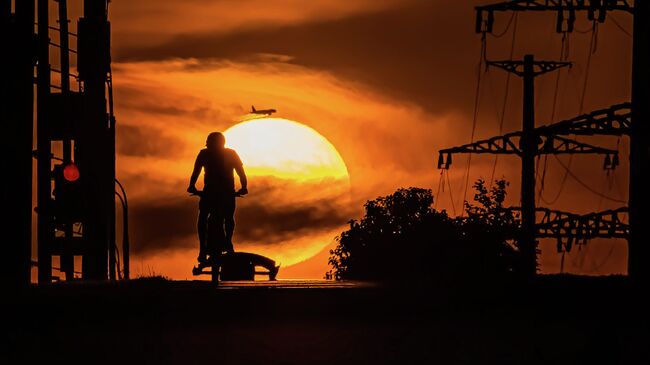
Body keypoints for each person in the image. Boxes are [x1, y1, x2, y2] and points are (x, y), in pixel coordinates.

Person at [188, 132, 248, 264]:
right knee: (226, 218)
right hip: (223, 192)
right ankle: (224, 243)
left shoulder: (205, 153)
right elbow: (241, 172)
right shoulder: (228, 153)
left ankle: (205, 248)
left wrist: (192, 186)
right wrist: (244, 187)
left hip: (212, 192)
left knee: (205, 218)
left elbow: (196, 171)